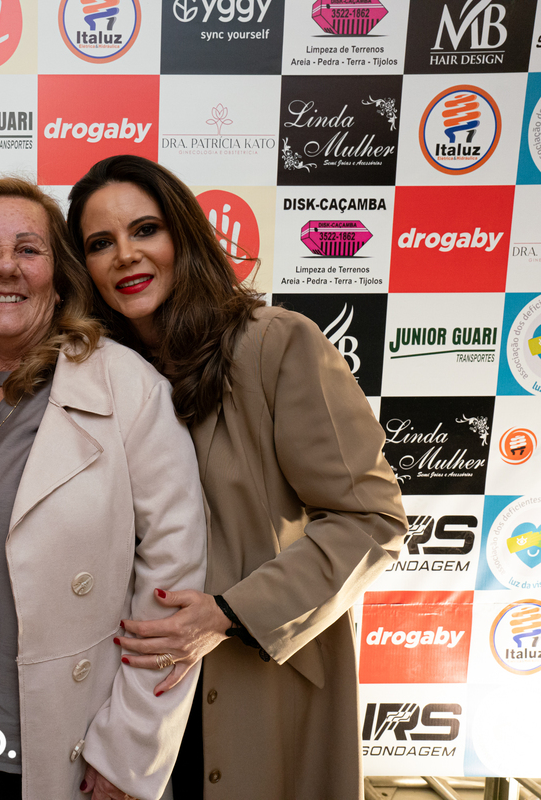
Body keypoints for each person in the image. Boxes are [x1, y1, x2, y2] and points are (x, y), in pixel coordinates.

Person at [66, 155, 407, 800]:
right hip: (131, 689)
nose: (125, 255)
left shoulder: (276, 345)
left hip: (258, 685)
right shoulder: (89, 380)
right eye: (100, 243)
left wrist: (228, 614)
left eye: (145, 230)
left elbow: (372, 520)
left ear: (185, 236)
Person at [0, 177, 208, 800]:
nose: (5, 266)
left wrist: (129, 754)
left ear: (60, 279)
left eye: (28, 249)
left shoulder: (127, 387)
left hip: (67, 745)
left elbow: (173, 586)